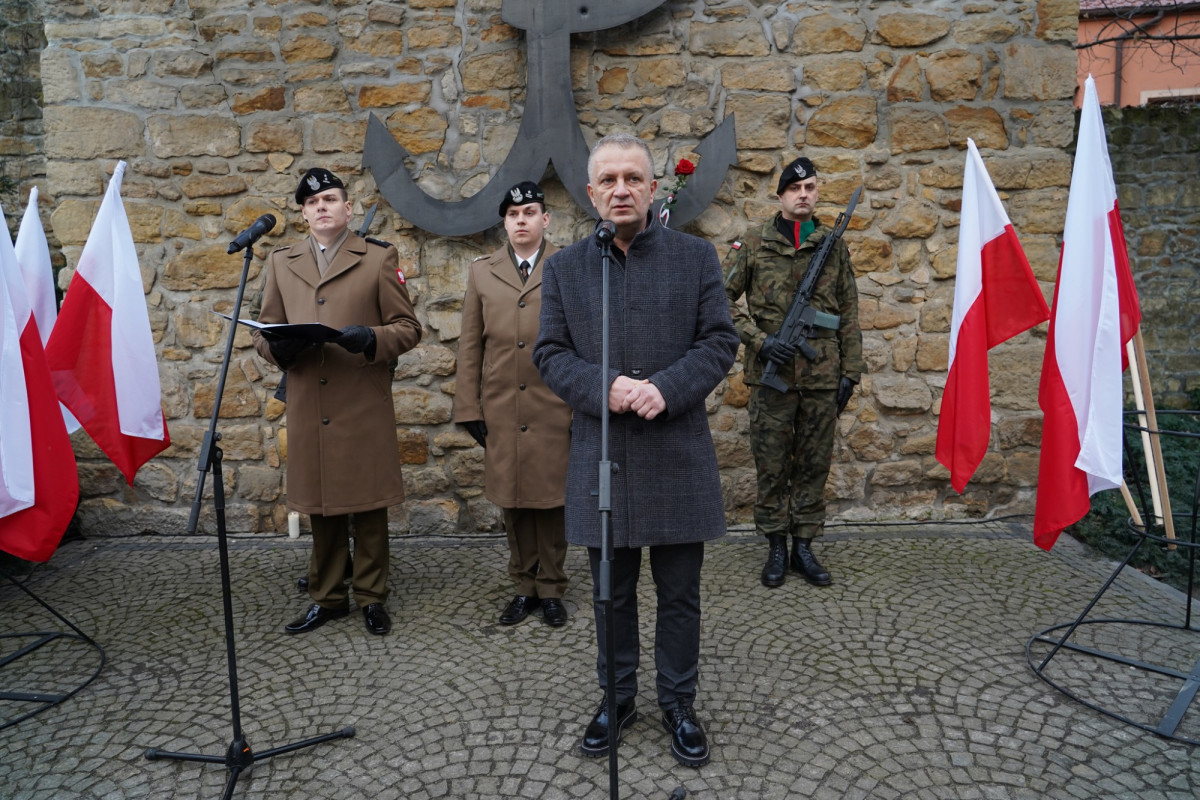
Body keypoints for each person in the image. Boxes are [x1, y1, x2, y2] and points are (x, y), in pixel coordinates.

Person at [533, 134, 738, 768]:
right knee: (610, 594)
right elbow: (550, 354)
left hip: (676, 452)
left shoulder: (696, 257)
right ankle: (617, 699)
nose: (621, 189)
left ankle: (678, 701)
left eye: (633, 178)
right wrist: (607, 387)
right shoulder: (567, 267)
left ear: (653, 189)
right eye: (609, 180)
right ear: (591, 194)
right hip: (605, 455)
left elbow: (719, 342)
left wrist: (667, 389)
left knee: (680, 595)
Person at [253, 167, 422, 636]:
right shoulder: (280, 262)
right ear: (303, 214)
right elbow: (265, 330)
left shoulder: (377, 260)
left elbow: (408, 329)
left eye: (329, 199)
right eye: (312, 203)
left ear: (348, 209)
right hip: (309, 402)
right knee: (321, 506)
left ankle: (371, 596)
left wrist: (369, 337)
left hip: (361, 399)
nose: (321, 207)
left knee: (368, 506)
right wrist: (275, 348)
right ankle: (327, 598)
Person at [722, 156, 865, 589]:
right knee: (772, 464)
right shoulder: (754, 242)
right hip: (771, 375)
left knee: (813, 463)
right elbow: (720, 304)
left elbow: (849, 311)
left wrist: (851, 371)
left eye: (812, 188)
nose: (804, 195)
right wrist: (761, 340)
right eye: (796, 188)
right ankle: (775, 547)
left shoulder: (831, 244)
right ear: (781, 194)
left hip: (822, 375)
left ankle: (804, 544)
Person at [453, 181, 572, 628]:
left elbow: (584, 340)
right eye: (512, 214)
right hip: (502, 406)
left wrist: (582, 406)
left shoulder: (568, 264)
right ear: (504, 222)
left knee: (551, 500)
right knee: (514, 500)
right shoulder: (483, 272)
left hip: (554, 404)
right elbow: (470, 345)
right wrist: (469, 407)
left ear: (545, 219)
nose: (520, 220)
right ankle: (524, 585)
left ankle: (553, 587)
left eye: (529, 212)